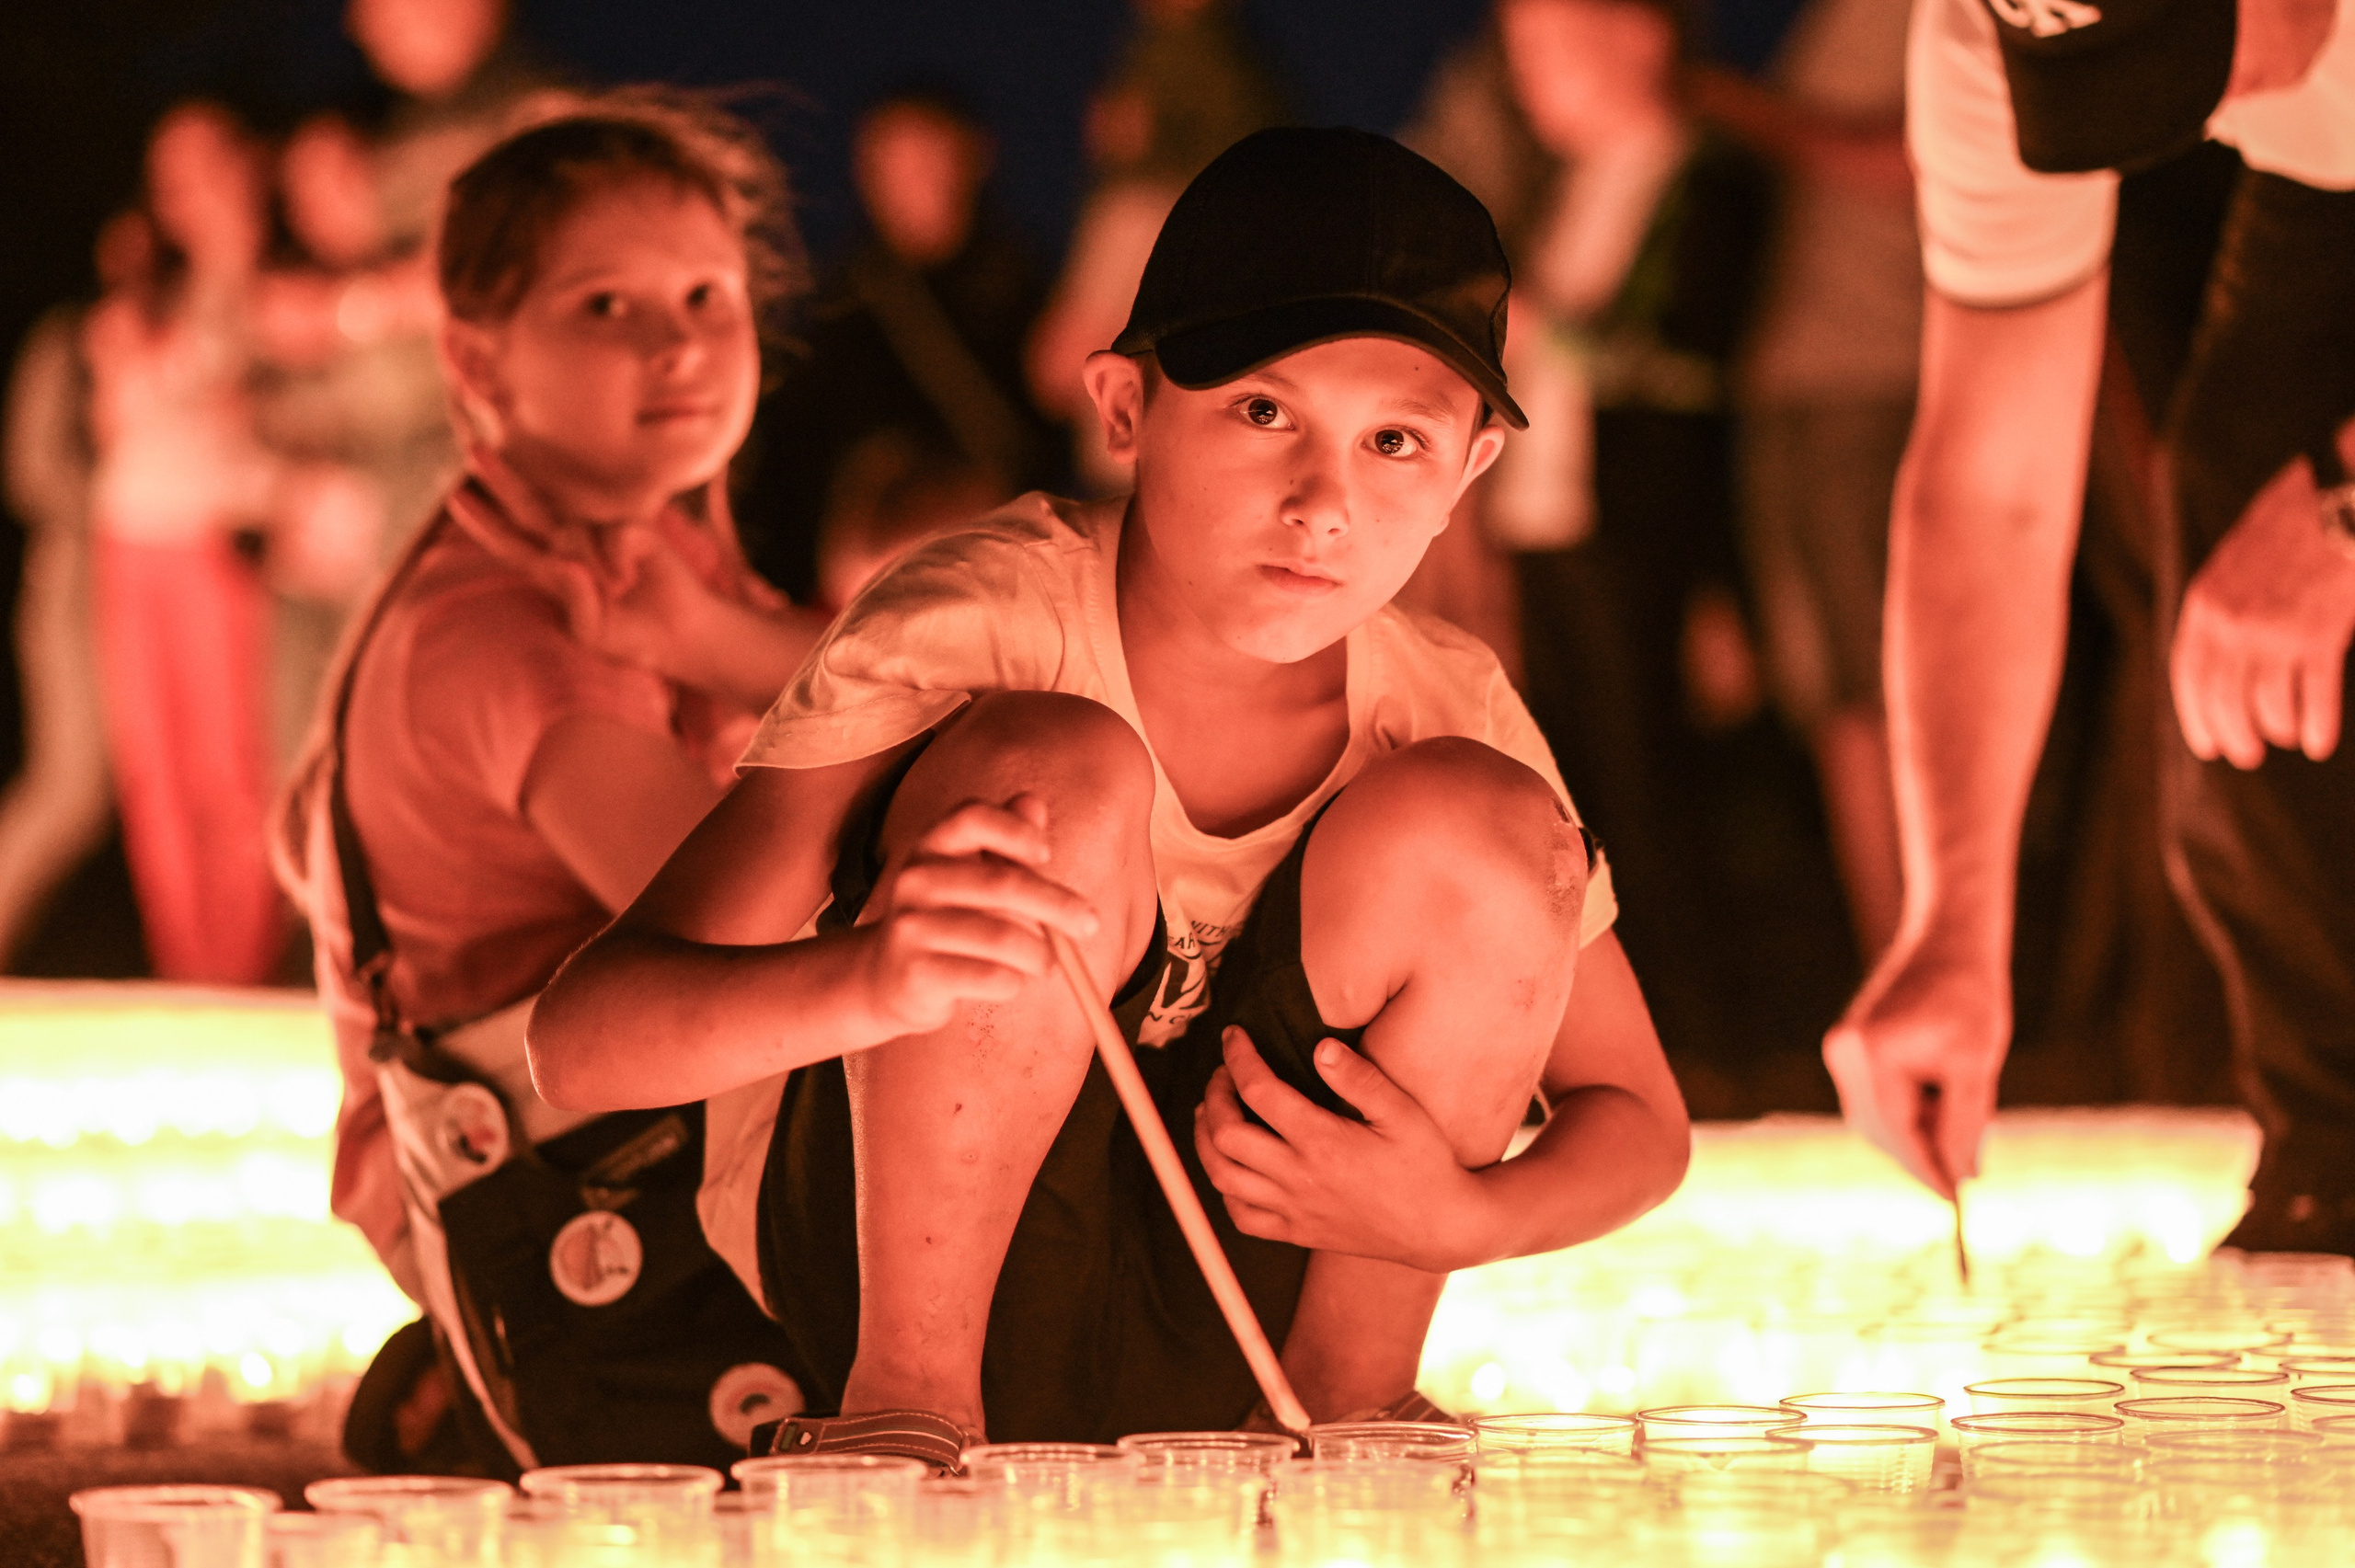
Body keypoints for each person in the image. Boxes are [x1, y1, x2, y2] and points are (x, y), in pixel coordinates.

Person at [534, 128, 1689, 1459]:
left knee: (1485, 827)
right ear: (1125, 407)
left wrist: (1461, 1216)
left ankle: (1344, 1414)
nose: (1324, 501)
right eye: (1263, 413)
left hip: (1245, 1293)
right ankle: (904, 1417)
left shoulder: (1444, 700)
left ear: (1469, 472)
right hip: (892, 1276)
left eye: (1394, 440)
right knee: (1057, 768)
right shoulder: (977, 621)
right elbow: (586, 1043)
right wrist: (872, 980)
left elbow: (1640, 1124)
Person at [274, 95, 829, 1475]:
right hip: (556, 1192)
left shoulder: (647, 553)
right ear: (476, 357)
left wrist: (725, 641)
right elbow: (750, 920)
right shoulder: (513, 629)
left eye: (705, 295)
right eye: (604, 306)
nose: (677, 342)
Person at [1827, 0, 2355, 1248]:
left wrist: (2344, 508)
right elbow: (1992, 487)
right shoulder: (1984, 32)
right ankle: (2336, 1145)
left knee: (2307, 531)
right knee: (2237, 499)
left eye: (2172, 65)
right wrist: (1953, 925)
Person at [83, 104, 289, 985]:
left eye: (203, 166)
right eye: (170, 175)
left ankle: (237, 966)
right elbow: (118, 415)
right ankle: (186, 967)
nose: (184, 192)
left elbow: (262, 402)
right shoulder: (146, 292)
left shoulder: (277, 275)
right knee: (154, 767)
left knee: (228, 760)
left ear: (245, 164)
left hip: (215, 538)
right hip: (128, 535)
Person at [742, 89, 1051, 613]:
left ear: (976, 157)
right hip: (855, 576)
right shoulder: (842, 303)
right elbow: (792, 456)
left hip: (1003, 562)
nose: (909, 182)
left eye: (928, 158)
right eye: (888, 163)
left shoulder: (1027, 293)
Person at [1025, 0, 1289, 493]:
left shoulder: (1135, 214)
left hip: (1135, 484)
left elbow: (1054, 373)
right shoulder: (1262, 84)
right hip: (1234, 475)